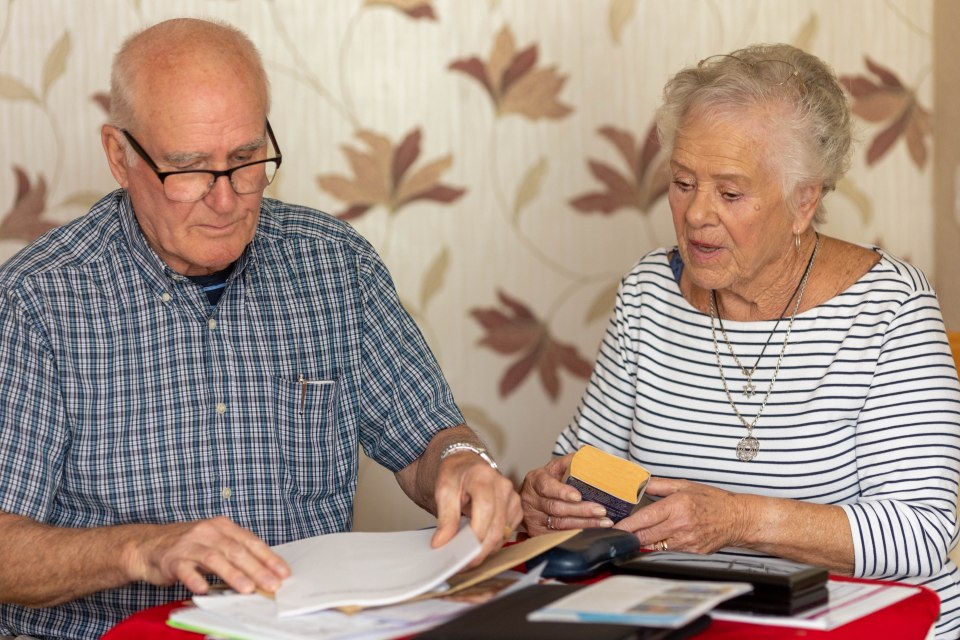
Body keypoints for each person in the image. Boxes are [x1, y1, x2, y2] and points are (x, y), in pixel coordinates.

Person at [0, 18, 521, 640]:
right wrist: (143, 549)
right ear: (119, 155)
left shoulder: (332, 263)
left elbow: (429, 440)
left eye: (246, 160)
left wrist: (463, 463)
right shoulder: (39, 299)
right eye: (189, 168)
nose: (226, 200)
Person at [520, 43, 960, 638]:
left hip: (866, 623)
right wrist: (554, 496)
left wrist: (740, 519)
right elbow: (589, 469)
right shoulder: (650, 291)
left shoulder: (889, 308)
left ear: (804, 201)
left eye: (730, 193)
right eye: (681, 182)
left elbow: (921, 534)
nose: (696, 213)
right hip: (692, 618)